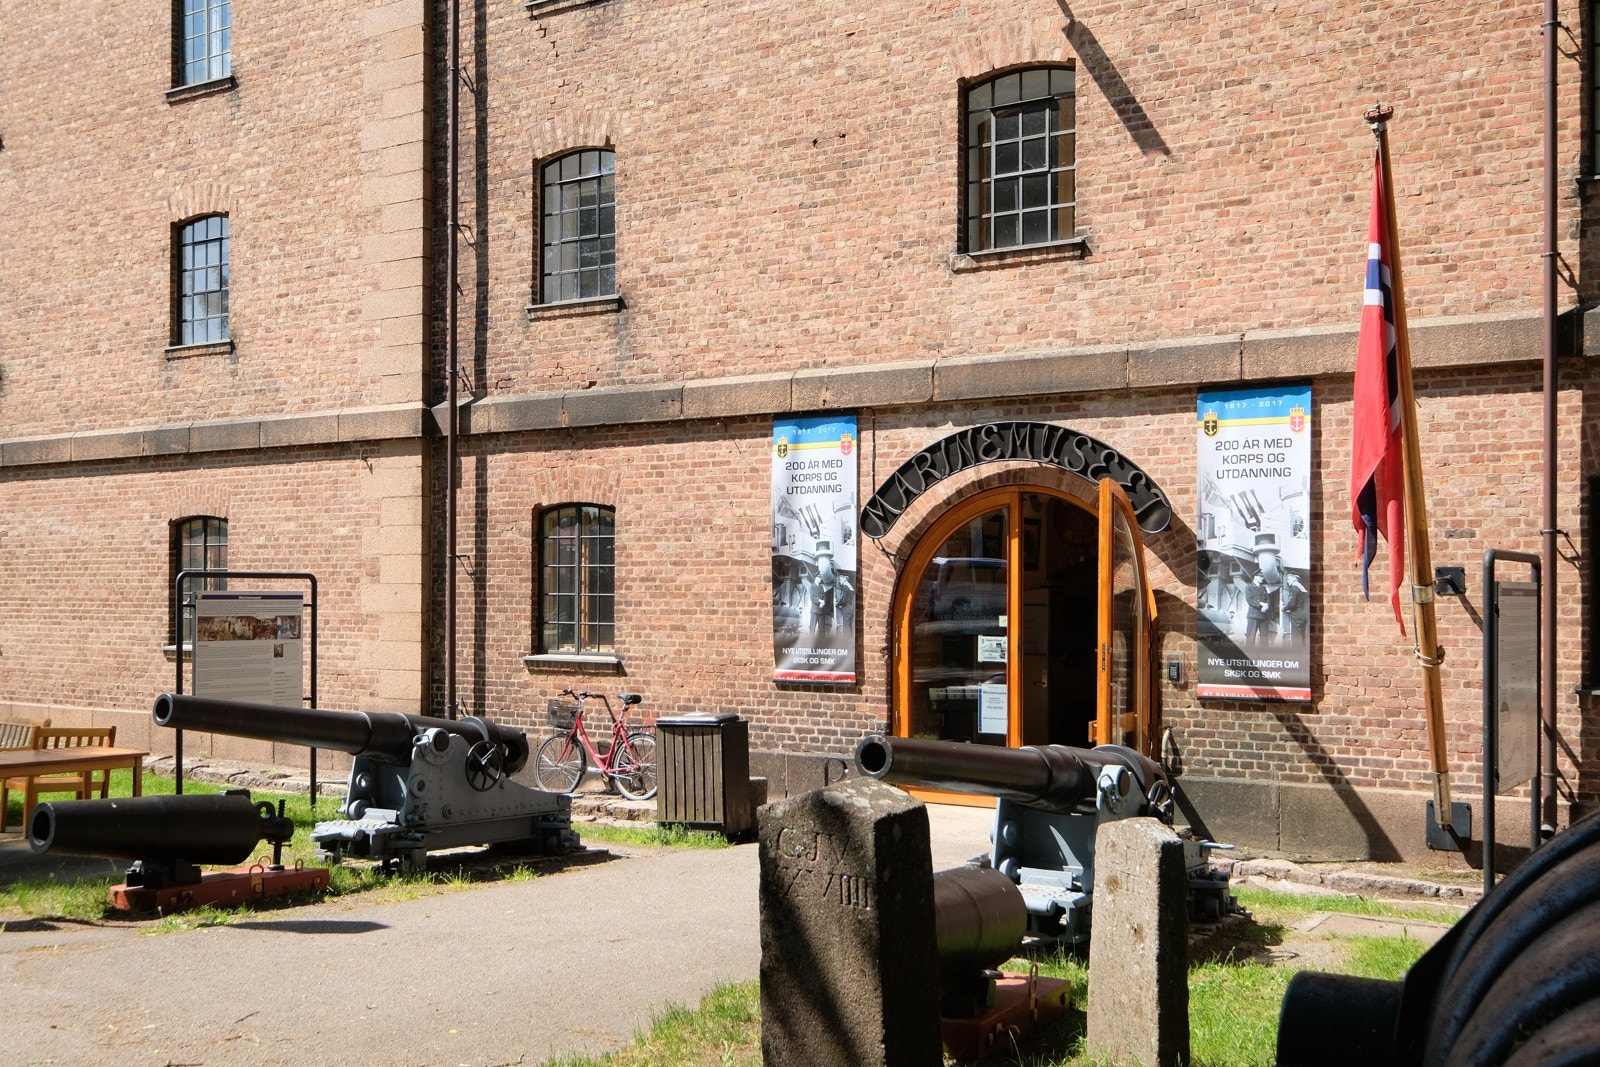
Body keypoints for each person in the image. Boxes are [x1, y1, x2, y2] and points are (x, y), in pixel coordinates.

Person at [1245, 572, 1278, 649]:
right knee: (1251, 636)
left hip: (1263, 615)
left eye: (1262, 577)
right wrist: (1261, 605)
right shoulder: (1249, 587)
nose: (1262, 578)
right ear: (1255, 577)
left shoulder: (1263, 588)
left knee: (1264, 637)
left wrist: (1266, 606)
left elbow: (1268, 599)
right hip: (1253, 615)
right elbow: (1249, 600)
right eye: (1260, 576)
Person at [1281, 571, 1309, 646]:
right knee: (1302, 636)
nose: (1287, 581)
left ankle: (1297, 654)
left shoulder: (1294, 588)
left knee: (1296, 637)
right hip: (1303, 614)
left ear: (1294, 579)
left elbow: (1292, 603)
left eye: (1289, 579)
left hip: (1296, 614)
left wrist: (1284, 608)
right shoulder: (1302, 588)